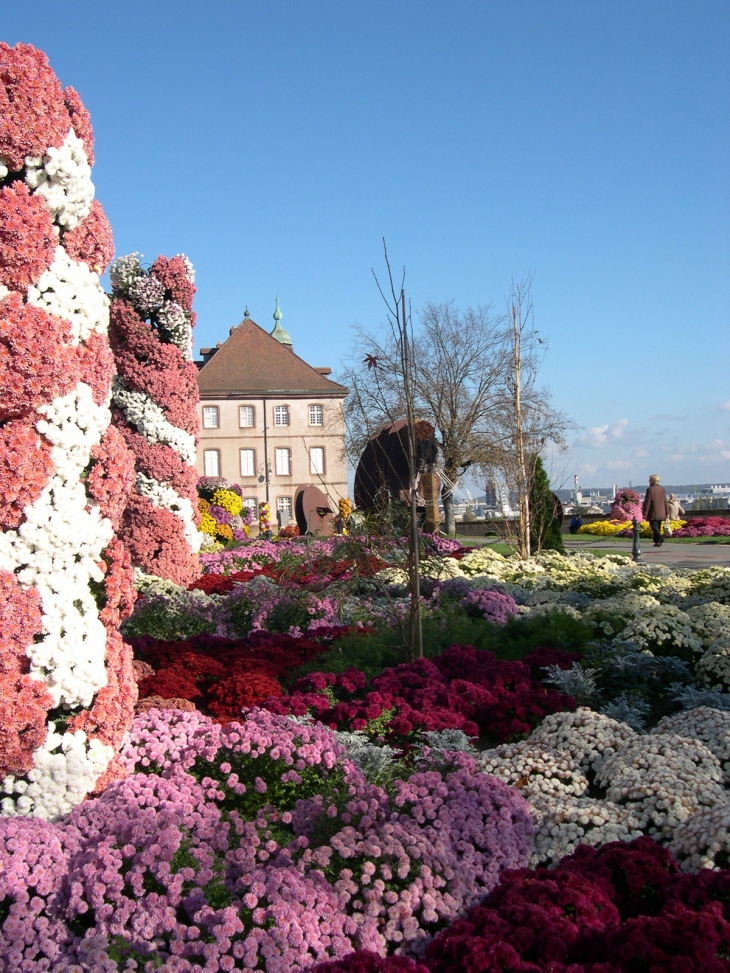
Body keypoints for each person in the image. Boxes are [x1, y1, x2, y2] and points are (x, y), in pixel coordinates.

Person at [643, 474, 668, 547]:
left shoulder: (650, 490)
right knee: (658, 527)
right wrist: (667, 512)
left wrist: (645, 513)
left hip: (653, 512)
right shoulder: (662, 489)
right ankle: (657, 541)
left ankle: (659, 538)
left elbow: (648, 502)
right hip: (661, 511)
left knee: (654, 526)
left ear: (652, 480)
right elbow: (665, 501)